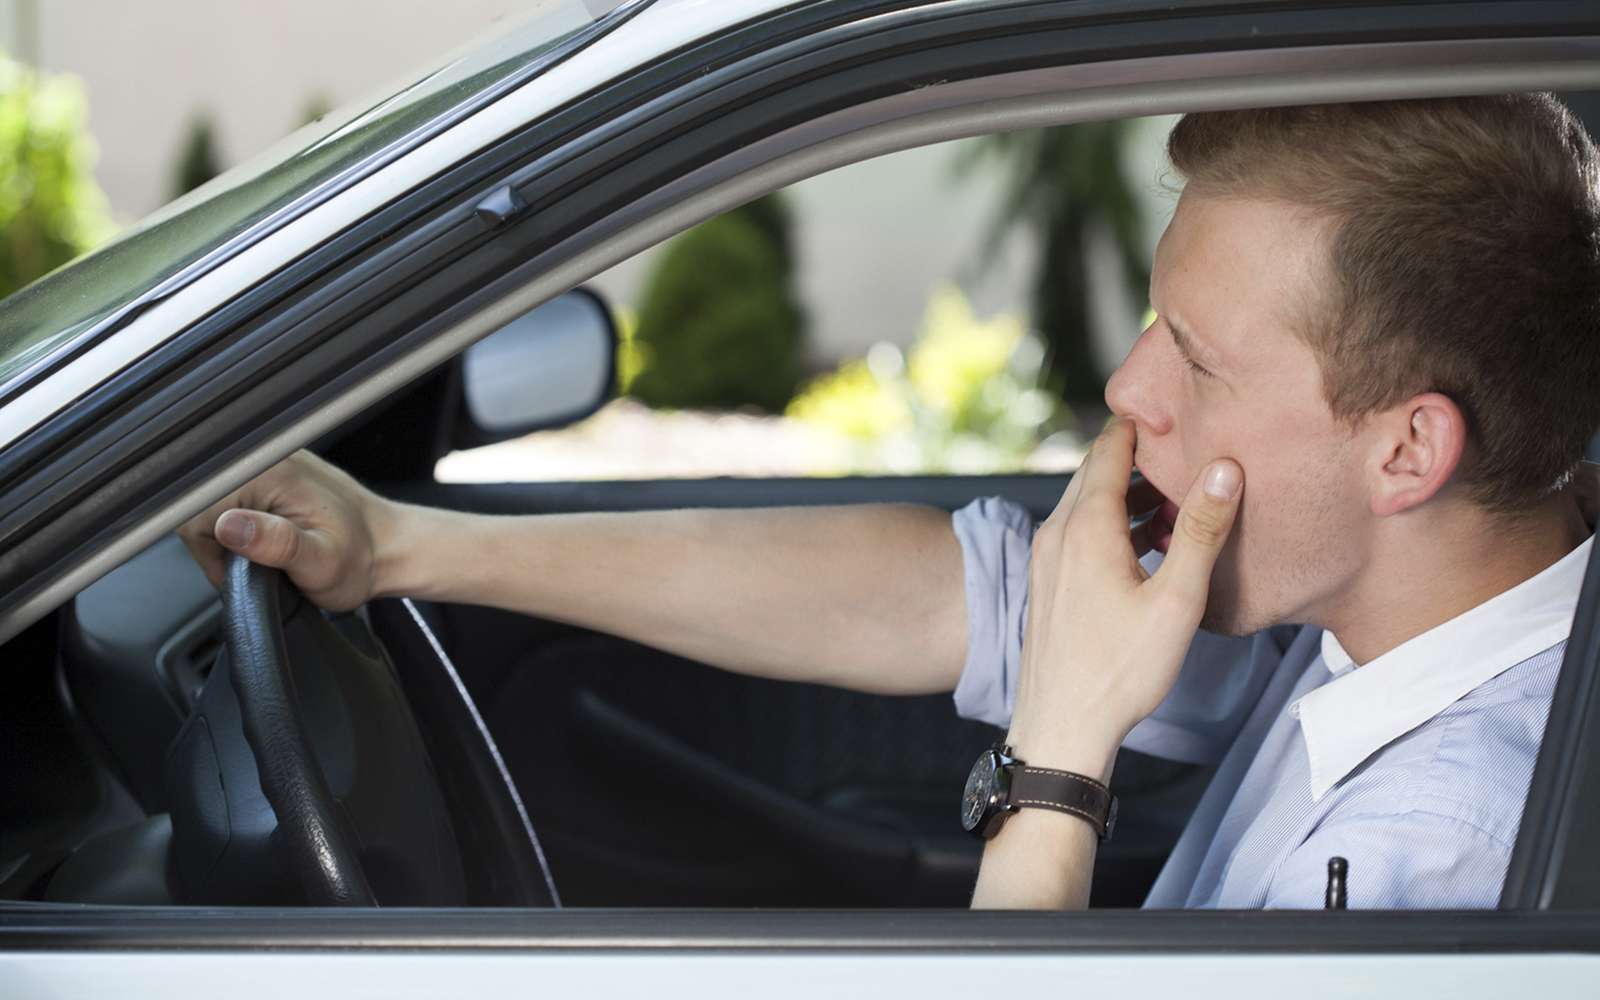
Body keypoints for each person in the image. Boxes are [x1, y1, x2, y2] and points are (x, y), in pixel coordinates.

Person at [178, 94, 1600, 910]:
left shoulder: (1447, 858)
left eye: (1199, 359)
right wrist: (406, 546)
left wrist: (1060, 759)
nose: (1128, 388)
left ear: (1408, 453)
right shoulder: (1362, 604)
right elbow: (929, 593)